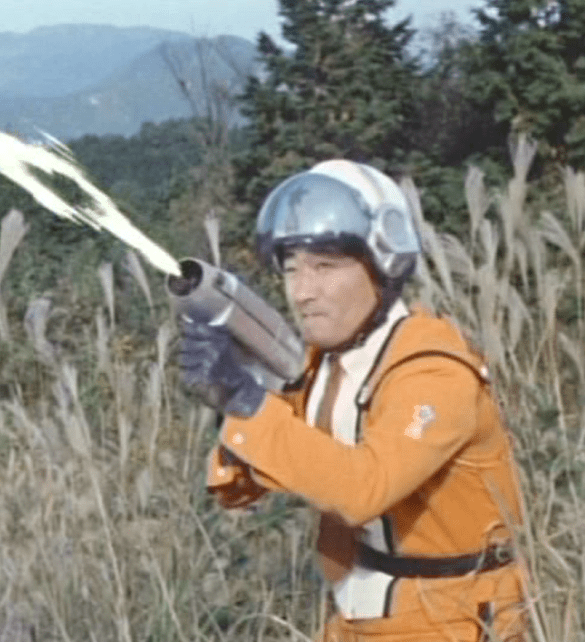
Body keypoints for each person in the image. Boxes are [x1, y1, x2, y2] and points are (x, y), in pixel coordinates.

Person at [178, 160, 528, 641]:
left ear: (385, 262)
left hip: (451, 619)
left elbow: (364, 489)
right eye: (291, 268)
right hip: (357, 619)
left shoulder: (434, 375)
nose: (302, 292)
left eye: (325, 266)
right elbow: (240, 489)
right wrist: (232, 398)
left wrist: (247, 402)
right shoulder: (325, 364)